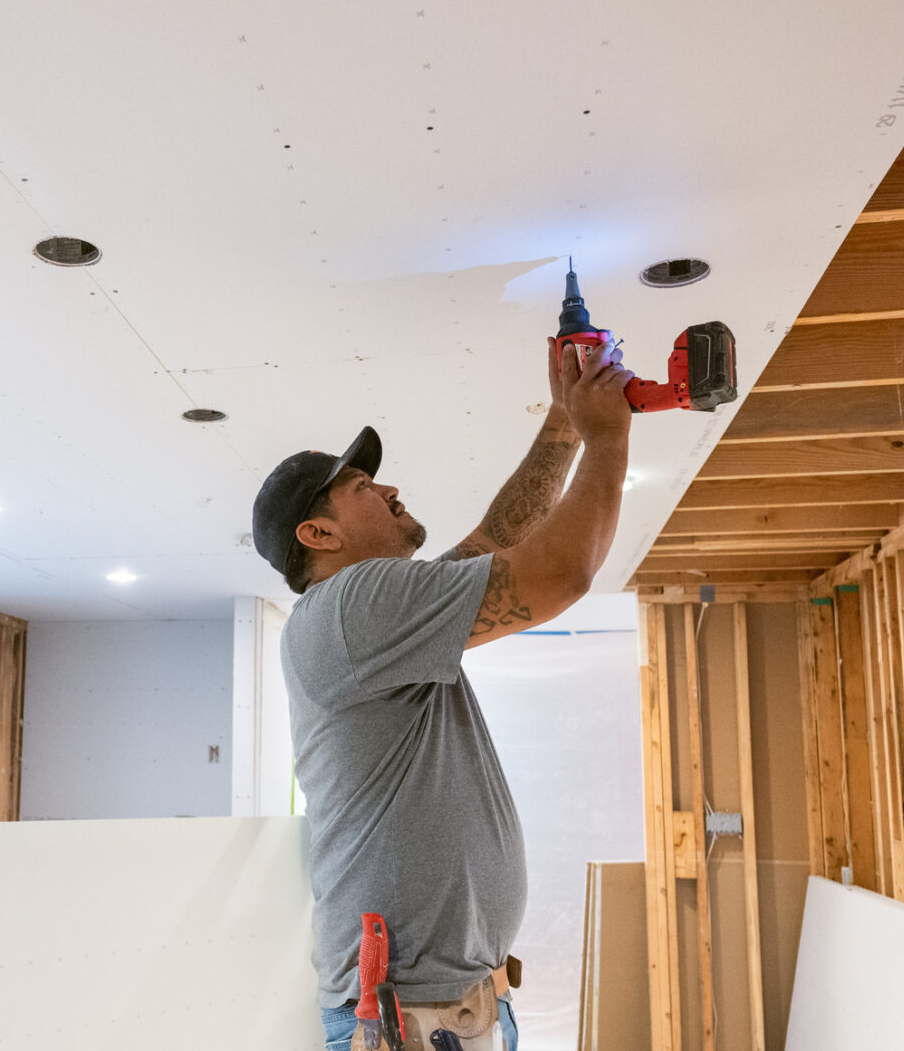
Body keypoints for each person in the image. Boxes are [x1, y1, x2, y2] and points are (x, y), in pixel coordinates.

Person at [251, 337, 634, 1050]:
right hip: (414, 1022)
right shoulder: (354, 607)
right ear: (318, 533)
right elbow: (558, 574)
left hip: (444, 1012)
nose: (390, 489)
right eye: (363, 488)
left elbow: (499, 539)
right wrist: (608, 437)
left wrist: (562, 423)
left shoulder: (379, 617)